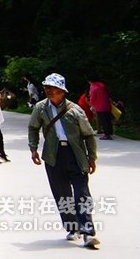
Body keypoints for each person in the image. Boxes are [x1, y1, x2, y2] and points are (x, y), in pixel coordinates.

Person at [28, 72, 99, 248]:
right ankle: (72, 227)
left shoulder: (75, 110)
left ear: (62, 91)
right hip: (53, 155)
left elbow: (89, 135)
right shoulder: (40, 108)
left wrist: (92, 157)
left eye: (53, 88)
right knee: (62, 194)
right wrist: (33, 148)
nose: (49, 91)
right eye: (46, 88)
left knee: (82, 193)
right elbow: (33, 127)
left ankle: (88, 232)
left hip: (75, 155)